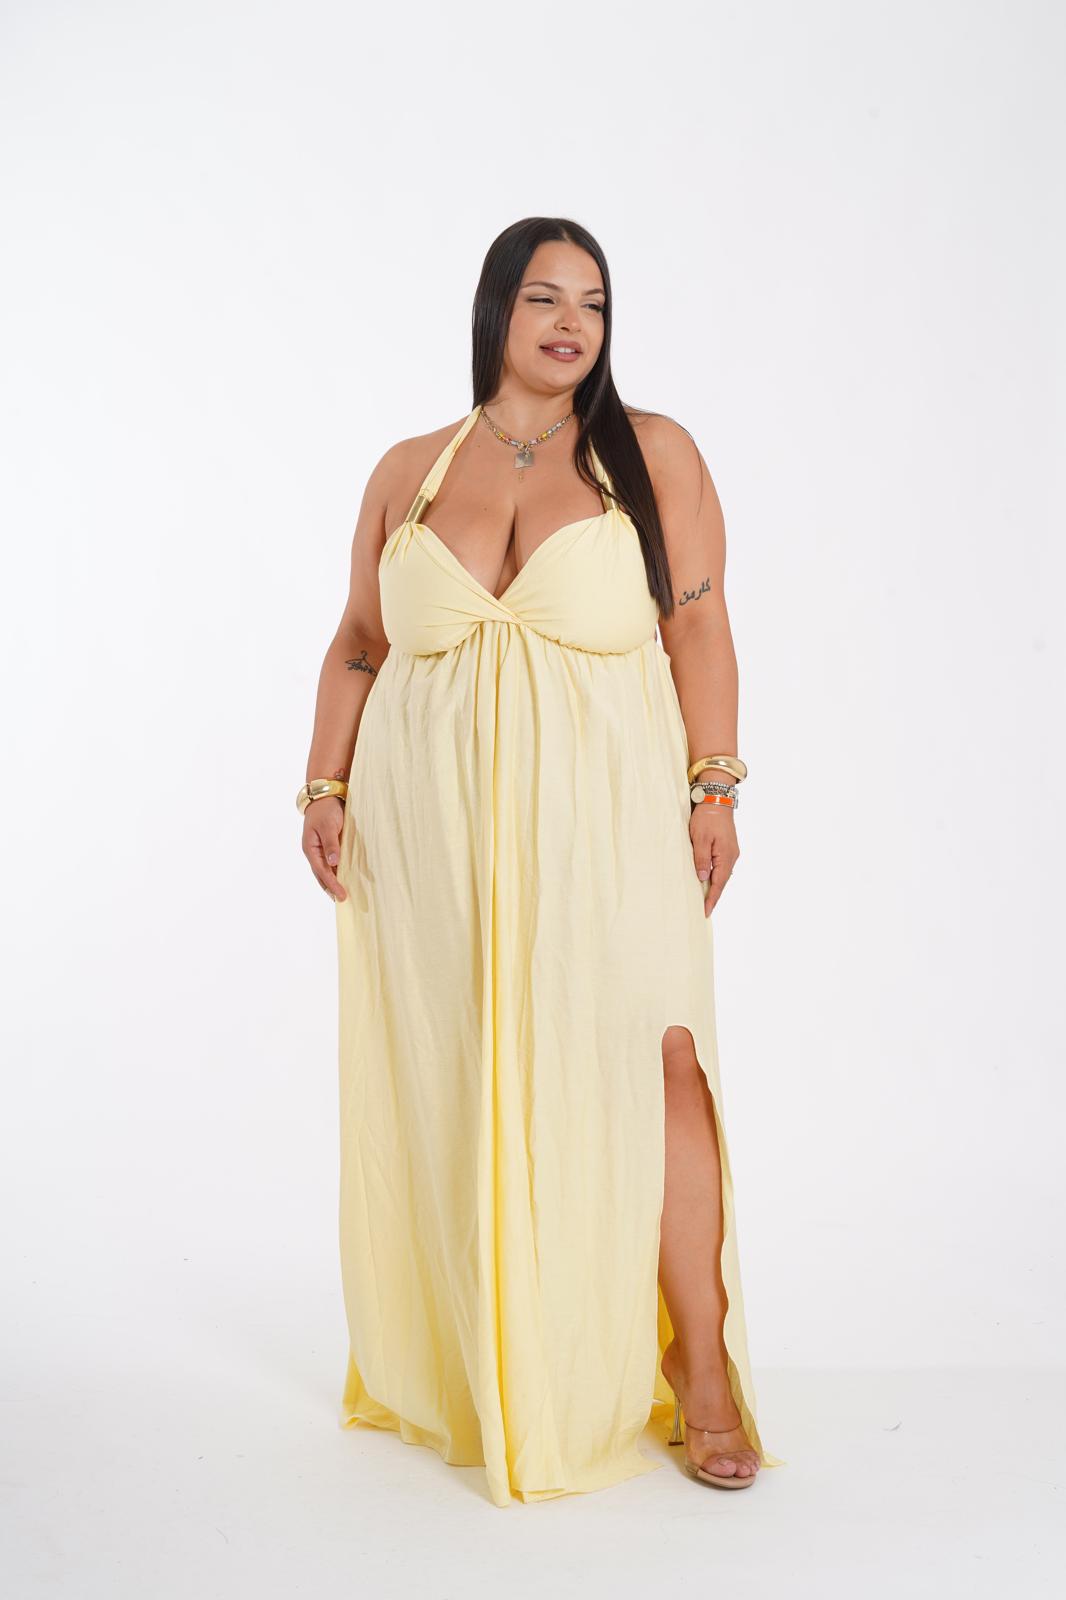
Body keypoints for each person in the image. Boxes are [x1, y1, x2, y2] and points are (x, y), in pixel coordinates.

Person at [299, 217, 783, 1507]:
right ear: (495, 312)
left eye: (594, 303)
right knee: (472, 1066)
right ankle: (497, 1358)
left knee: (661, 1060)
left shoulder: (652, 453)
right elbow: (359, 639)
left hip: (610, 816)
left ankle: (704, 1370)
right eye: (545, 299)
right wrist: (324, 784)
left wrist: (717, 787)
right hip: (432, 828)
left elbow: (700, 626)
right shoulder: (409, 468)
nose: (573, 324)